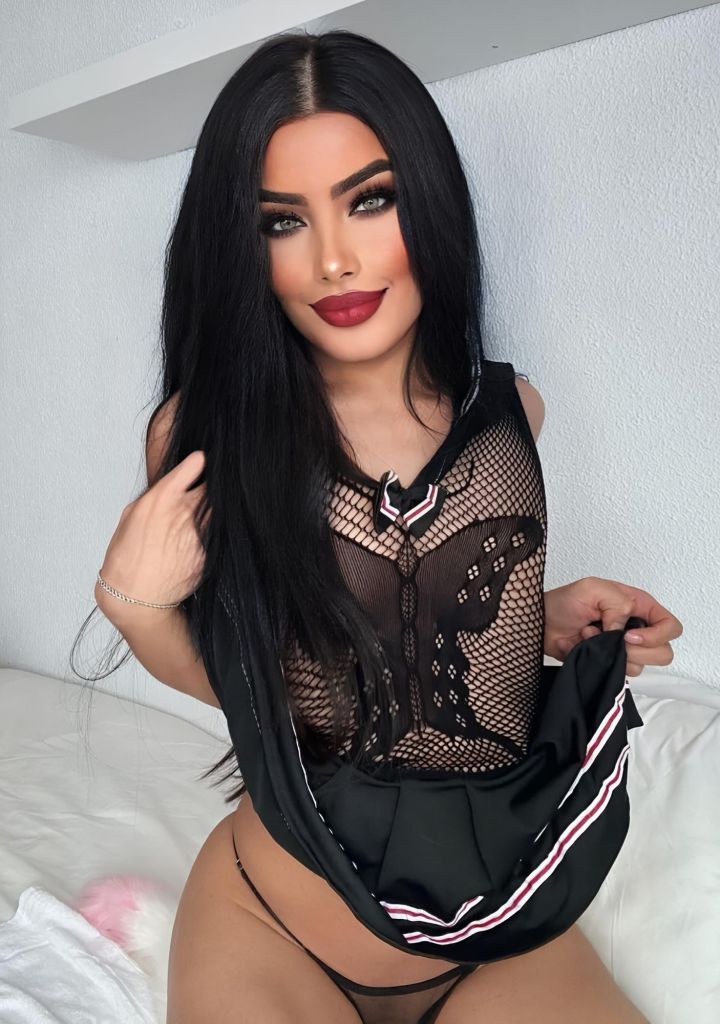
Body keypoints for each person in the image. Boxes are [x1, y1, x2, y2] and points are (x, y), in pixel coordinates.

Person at [92, 29, 682, 1024]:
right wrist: (137, 611)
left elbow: (410, 632)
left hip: (495, 931)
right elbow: (258, 683)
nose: (333, 259)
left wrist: (532, 619)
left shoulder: (513, 416)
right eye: (284, 221)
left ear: (429, 201)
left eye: (370, 200)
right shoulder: (204, 434)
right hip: (274, 923)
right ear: (243, 246)